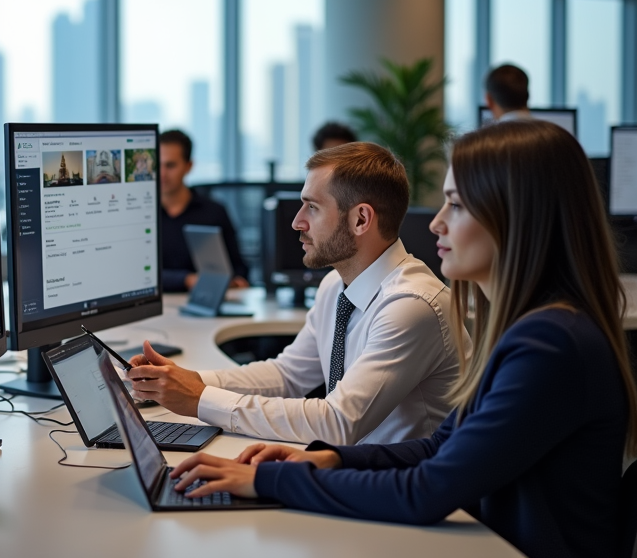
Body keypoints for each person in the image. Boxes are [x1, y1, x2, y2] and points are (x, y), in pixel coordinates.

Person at [168, 120, 637, 558]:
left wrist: (265, 481)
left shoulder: (551, 344)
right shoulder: (534, 329)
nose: (435, 223)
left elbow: (428, 489)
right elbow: (440, 447)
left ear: (515, 217)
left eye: (456, 204)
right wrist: (328, 460)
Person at [132, 141, 467, 445]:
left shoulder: (410, 305)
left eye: (312, 207)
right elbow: (288, 375)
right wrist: (183, 381)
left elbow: (338, 422)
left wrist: (199, 400)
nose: (296, 221)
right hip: (357, 471)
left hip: (403, 490)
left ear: (361, 219)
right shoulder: (336, 285)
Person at [159, 129, 248, 293]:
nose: (162, 174)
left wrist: (233, 280)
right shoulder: (140, 215)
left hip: (205, 300)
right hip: (156, 304)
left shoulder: (214, 212)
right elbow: (134, 275)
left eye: (170, 165)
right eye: (157, 165)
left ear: (188, 166)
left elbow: (238, 268)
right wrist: (186, 279)